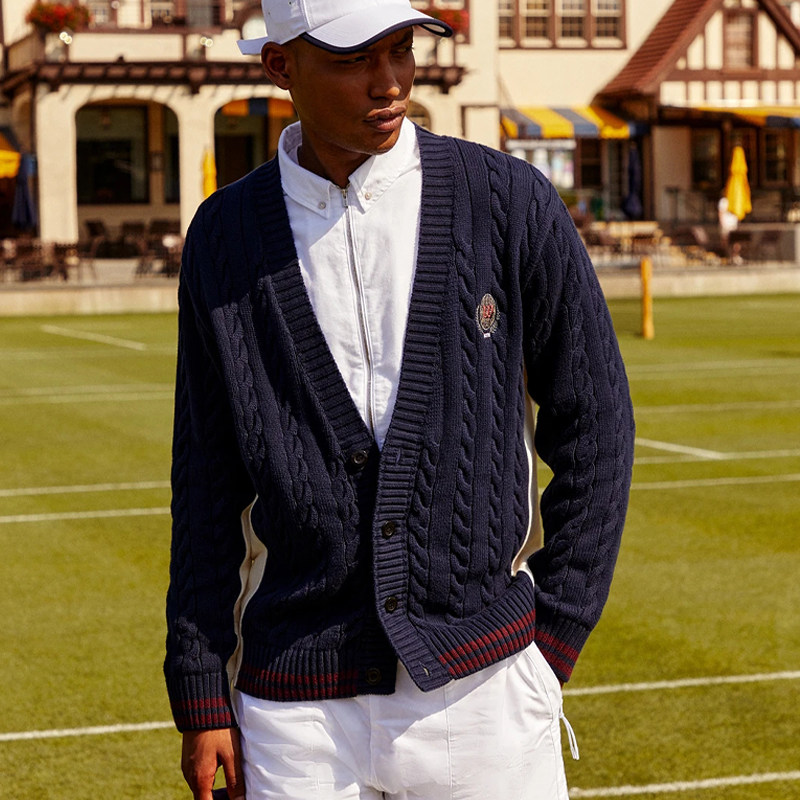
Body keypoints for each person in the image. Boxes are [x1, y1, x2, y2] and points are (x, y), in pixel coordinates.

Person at [164, 1, 635, 798]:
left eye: (401, 49)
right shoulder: (224, 235)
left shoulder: (507, 200)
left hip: (486, 692)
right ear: (281, 66)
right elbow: (206, 478)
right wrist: (202, 684)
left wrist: (555, 637)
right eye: (353, 59)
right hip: (295, 714)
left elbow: (597, 422)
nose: (390, 82)